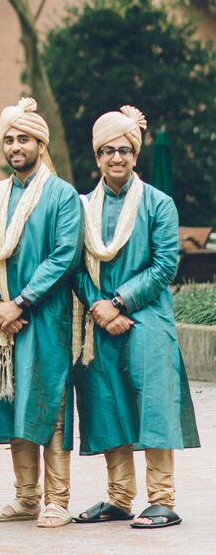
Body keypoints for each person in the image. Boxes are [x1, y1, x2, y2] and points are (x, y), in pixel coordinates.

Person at [72, 105, 199, 529]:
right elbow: (75, 266)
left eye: (124, 150)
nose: (117, 158)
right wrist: (98, 307)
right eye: (108, 151)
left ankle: (162, 499)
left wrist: (120, 303)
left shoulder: (159, 205)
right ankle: (119, 498)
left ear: (135, 154)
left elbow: (165, 266)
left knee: (154, 405)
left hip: (147, 318)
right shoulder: (82, 208)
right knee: (109, 406)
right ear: (97, 157)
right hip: (99, 323)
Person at [0, 97, 83, 528]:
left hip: (44, 318)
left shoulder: (61, 195)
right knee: (13, 402)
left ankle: (57, 499)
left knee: (49, 401)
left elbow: (65, 256)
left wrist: (19, 302)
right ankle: (25, 498)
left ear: (41, 142)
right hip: (2, 321)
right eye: (9, 139)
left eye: (24, 138)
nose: (16, 146)